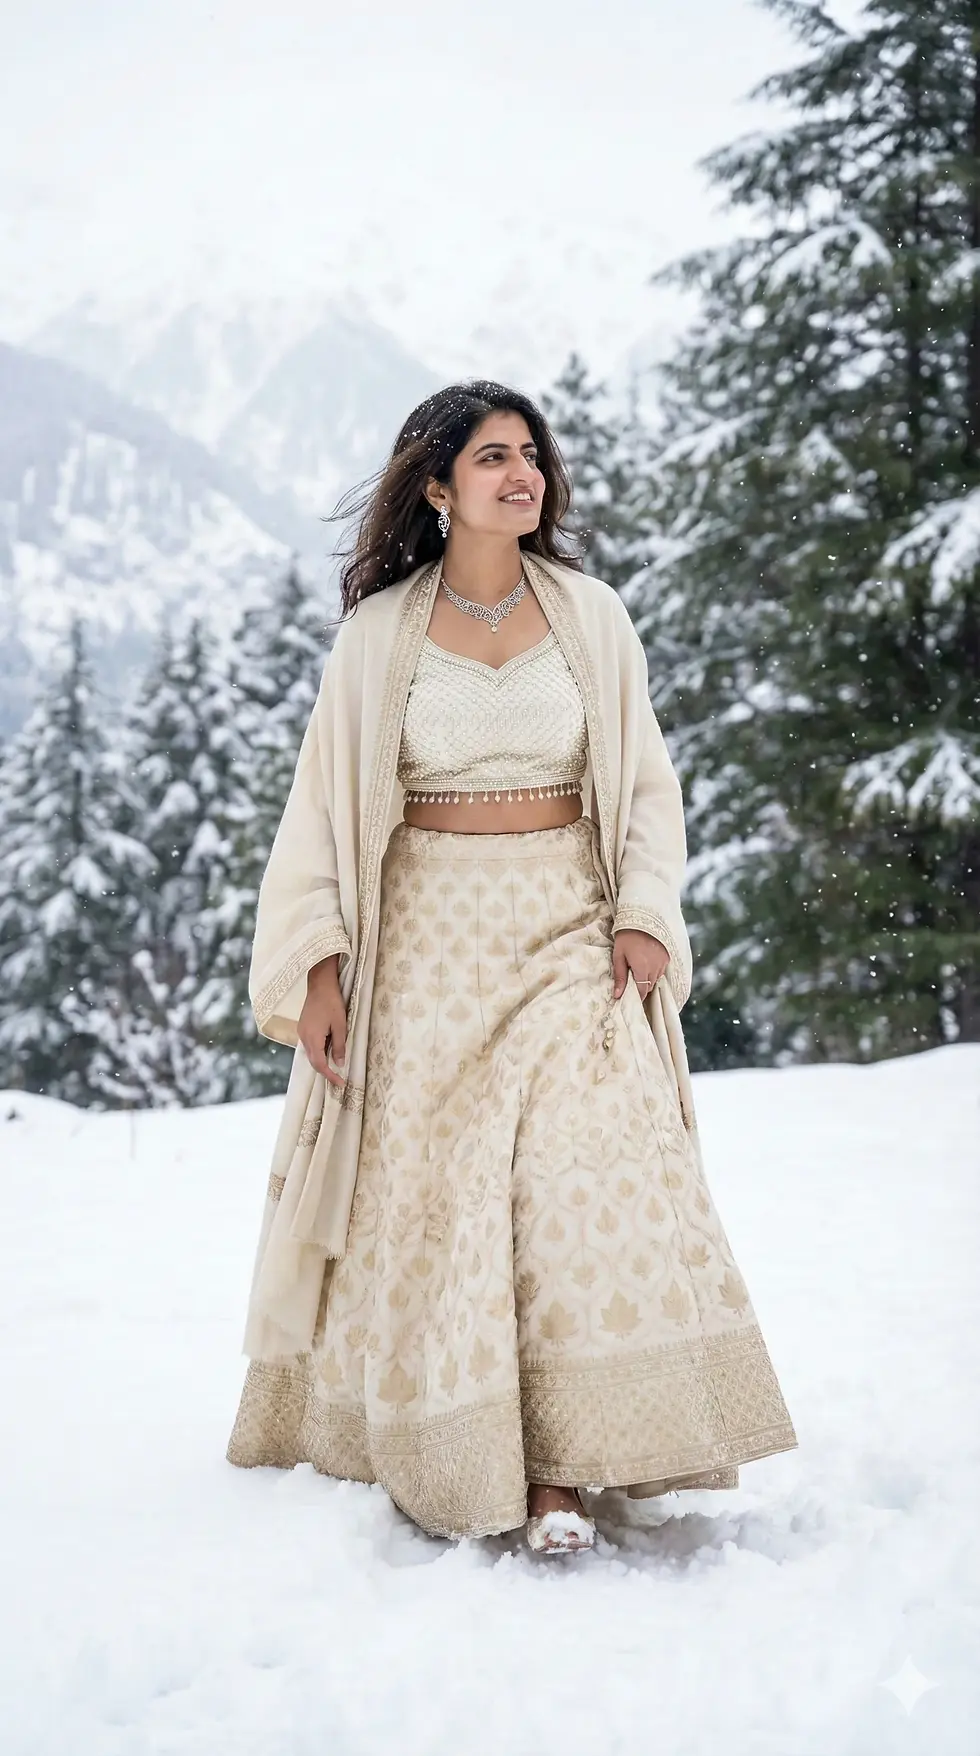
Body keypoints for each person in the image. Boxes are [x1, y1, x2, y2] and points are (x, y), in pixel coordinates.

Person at [226, 380, 798, 1554]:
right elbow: (320, 812)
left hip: (563, 927)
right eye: (490, 457)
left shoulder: (591, 616)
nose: (519, 474)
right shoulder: (378, 634)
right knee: (450, 1199)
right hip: (425, 944)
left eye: (529, 454)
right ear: (436, 489)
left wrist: (642, 911)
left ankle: (561, 1472)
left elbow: (643, 785)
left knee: (581, 1164)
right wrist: (319, 965)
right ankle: (482, 1450)